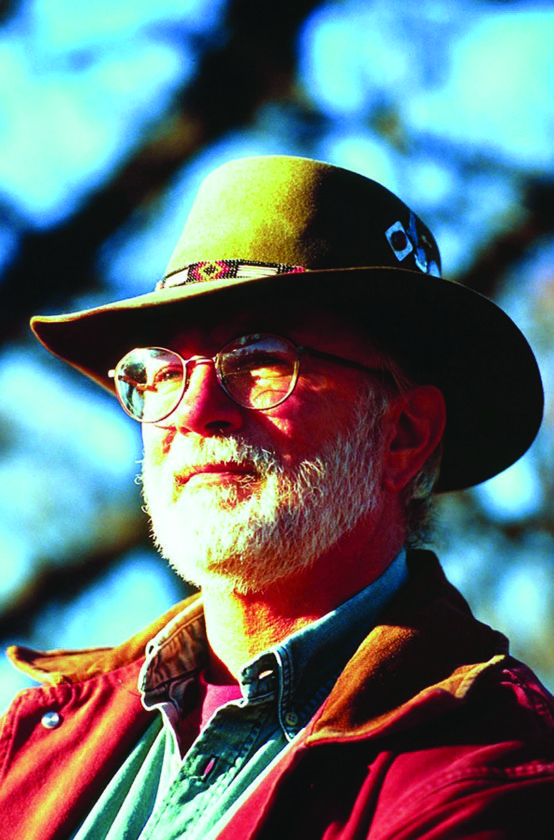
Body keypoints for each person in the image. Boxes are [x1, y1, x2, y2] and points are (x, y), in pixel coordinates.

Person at [1, 155, 552, 840]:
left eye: (260, 360)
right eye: (160, 372)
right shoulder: (39, 742)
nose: (194, 411)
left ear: (404, 435)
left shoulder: (487, 771)